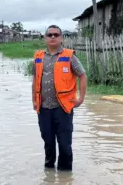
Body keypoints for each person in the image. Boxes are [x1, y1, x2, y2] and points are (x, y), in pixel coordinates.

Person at [32, 25, 87, 171]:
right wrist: (33, 100)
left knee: (64, 144)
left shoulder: (69, 56)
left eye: (56, 35)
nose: (53, 37)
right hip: (43, 108)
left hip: (63, 108)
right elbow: (35, 79)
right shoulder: (38, 57)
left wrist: (81, 98)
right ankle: (49, 173)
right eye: (49, 35)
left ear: (61, 38)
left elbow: (82, 75)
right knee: (48, 142)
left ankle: (65, 176)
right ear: (45, 38)